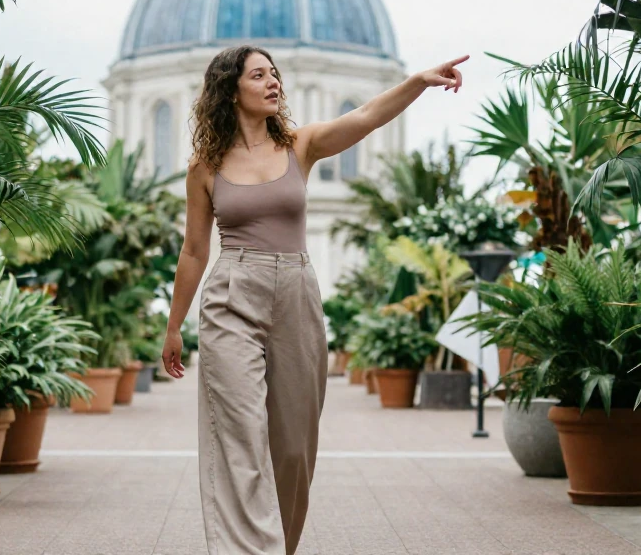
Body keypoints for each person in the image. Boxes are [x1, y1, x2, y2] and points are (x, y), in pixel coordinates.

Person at [160, 45, 468, 555]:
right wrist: (175, 327)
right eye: (258, 75)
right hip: (232, 293)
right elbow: (194, 251)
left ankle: (279, 545)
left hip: (296, 293)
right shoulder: (205, 167)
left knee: (294, 445)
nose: (272, 82)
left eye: (274, 73)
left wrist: (418, 81)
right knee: (240, 432)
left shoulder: (301, 145)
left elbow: (366, 117)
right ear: (231, 89)